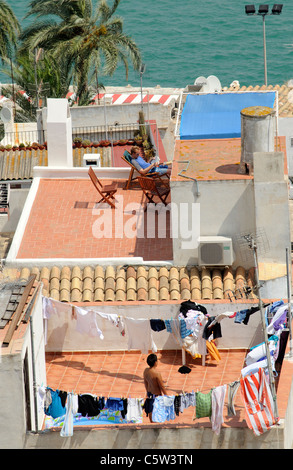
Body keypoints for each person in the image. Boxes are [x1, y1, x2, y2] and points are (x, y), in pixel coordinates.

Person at [143, 353, 167, 423]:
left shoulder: (146, 371)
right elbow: (161, 386)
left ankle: (152, 423)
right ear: (155, 362)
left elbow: (145, 382)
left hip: (149, 394)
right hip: (156, 396)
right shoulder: (157, 374)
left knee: (150, 411)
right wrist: (166, 395)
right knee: (158, 413)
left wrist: (147, 391)